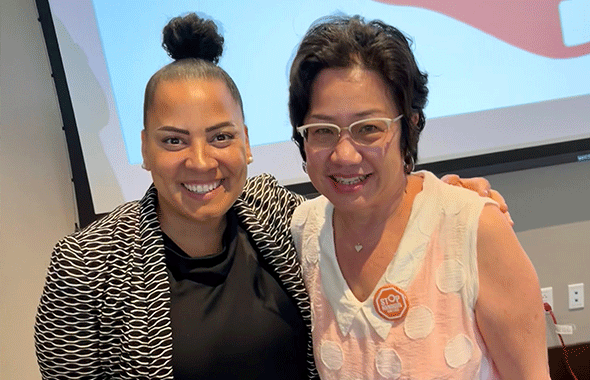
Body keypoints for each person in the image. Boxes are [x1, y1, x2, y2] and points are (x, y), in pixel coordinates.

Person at [34, 12, 509, 380]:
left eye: (220, 137)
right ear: (144, 148)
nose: (201, 162)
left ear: (245, 142)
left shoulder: (278, 214)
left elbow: (367, 208)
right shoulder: (86, 265)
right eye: (174, 140)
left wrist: (450, 198)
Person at [289, 15, 550, 380]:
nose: (344, 155)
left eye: (368, 128)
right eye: (323, 130)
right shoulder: (303, 230)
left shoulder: (474, 228)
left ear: (408, 126)